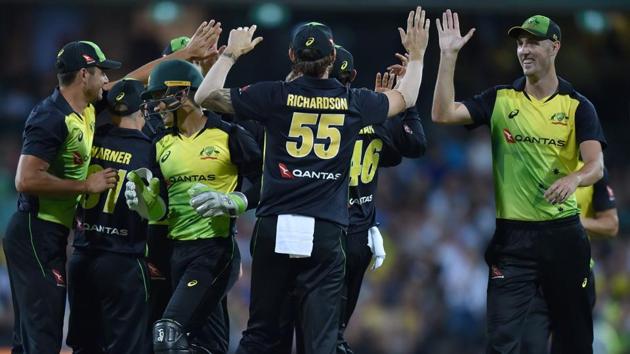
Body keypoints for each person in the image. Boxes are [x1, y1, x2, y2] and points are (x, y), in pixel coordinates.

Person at [194, 7, 429, 353]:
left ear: (291, 56)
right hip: (325, 230)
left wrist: (230, 53)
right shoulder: (353, 102)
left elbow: (204, 96)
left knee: (260, 335)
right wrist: (419, 55)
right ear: (332, 58)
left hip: (274, 225)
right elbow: (406, 97)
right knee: (321, 341)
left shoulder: (274, 95)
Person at [431, 11, 607, 354]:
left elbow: (596, 166)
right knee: (501, 342)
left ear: (554, 47)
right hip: (513, 241)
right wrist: (448, 57)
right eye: (520, 43)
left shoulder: (578, 107)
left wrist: (574, 178)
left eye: (533, 43)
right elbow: (442, 114)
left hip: (564, 236)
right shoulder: (500, 100)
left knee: (574, 340)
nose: (524, 50)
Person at [128, 58, 261, 354]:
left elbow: (267, 182)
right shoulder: (160, 144)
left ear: (183, 94)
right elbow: (160, 210)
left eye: (160, 98)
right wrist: (145, 204)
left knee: (167, 334)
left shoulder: (230, 135)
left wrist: (234, 201)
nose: (156, 108)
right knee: (206, 345)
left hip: (214, 251)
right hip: (175, 252)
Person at [2, 40, 121, 354]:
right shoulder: (51, 116)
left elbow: (131, 81)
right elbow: (25, 179)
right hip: (34, 232)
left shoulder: (86, 109)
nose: (107, 81)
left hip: (49, 234)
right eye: (102, 73)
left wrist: (183, 57)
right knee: (42, 337)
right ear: (84, 74)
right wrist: (86, 186)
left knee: (32, 339)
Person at [66, 79, 163, 354]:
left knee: (84, 347)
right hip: (124, 261)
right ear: (143, 109)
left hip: (83, 256)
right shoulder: (150, 149)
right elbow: (157, 208)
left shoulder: (91, 135)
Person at [521, 163, 618, 353]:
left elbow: (611, 225)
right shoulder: (535, 159)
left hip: (577, 279)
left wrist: (575, 221)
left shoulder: (594, 170)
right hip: (536, 279)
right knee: (529, 346)